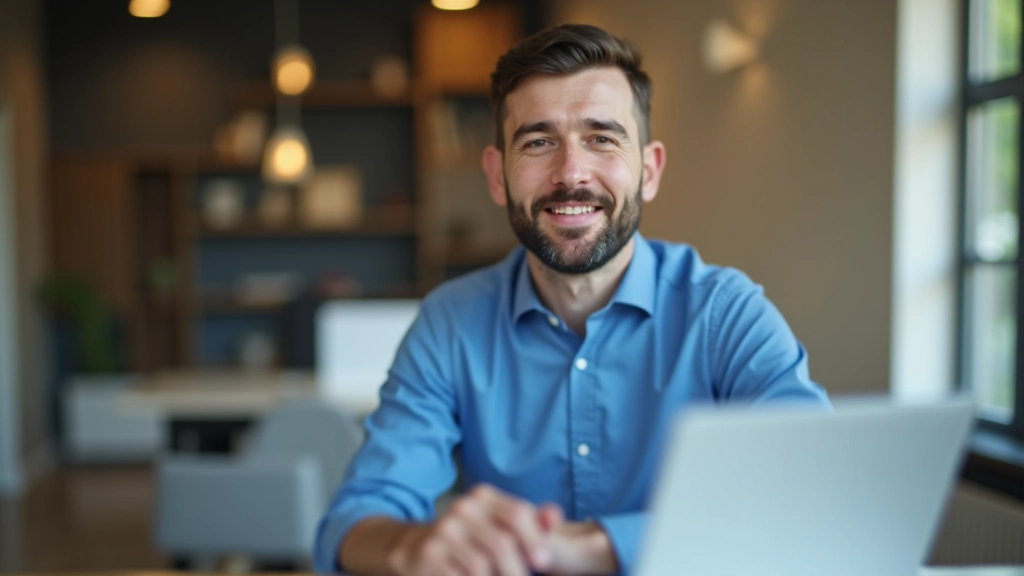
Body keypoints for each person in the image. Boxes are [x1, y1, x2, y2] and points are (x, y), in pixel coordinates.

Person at [314, 23, 830, 576]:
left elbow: (814, 489)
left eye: (602, 138)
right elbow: (356, 519)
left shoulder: (725, 313)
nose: (571, 174)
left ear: (649, 170)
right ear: (497, 177)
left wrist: (594, 547)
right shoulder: (451, 323)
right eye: (538, 142)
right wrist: (410, 548)